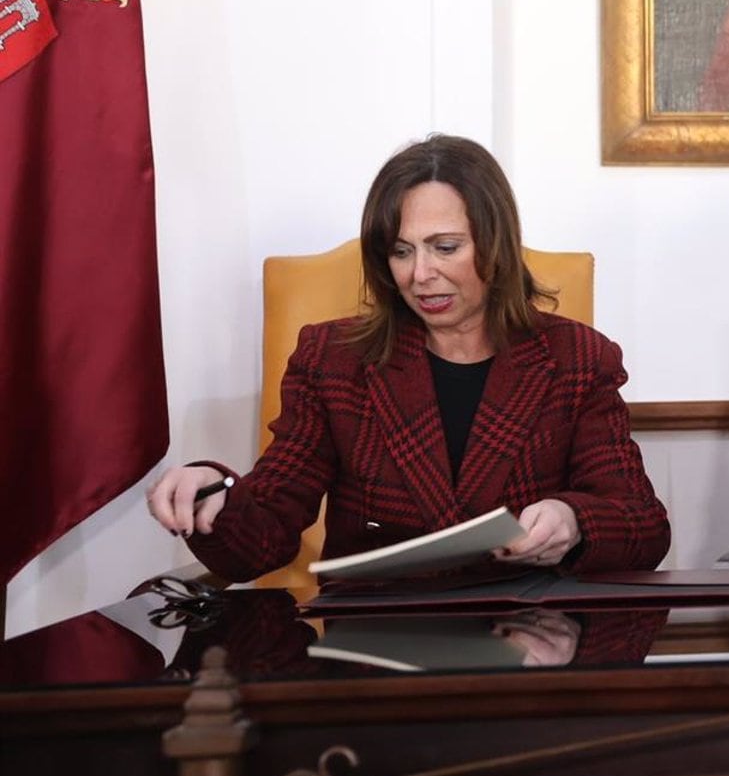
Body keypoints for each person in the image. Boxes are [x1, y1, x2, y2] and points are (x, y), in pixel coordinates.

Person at [146, 135, 670, 581]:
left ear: (496, 244)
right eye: (401, 251)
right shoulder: (333, 361)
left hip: (527, 645)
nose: (420, 274)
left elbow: (643, 526)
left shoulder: (575, 358)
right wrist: (210, 493)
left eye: (445, 247)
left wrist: (573, 520)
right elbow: (263, 537)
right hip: (377, 652)